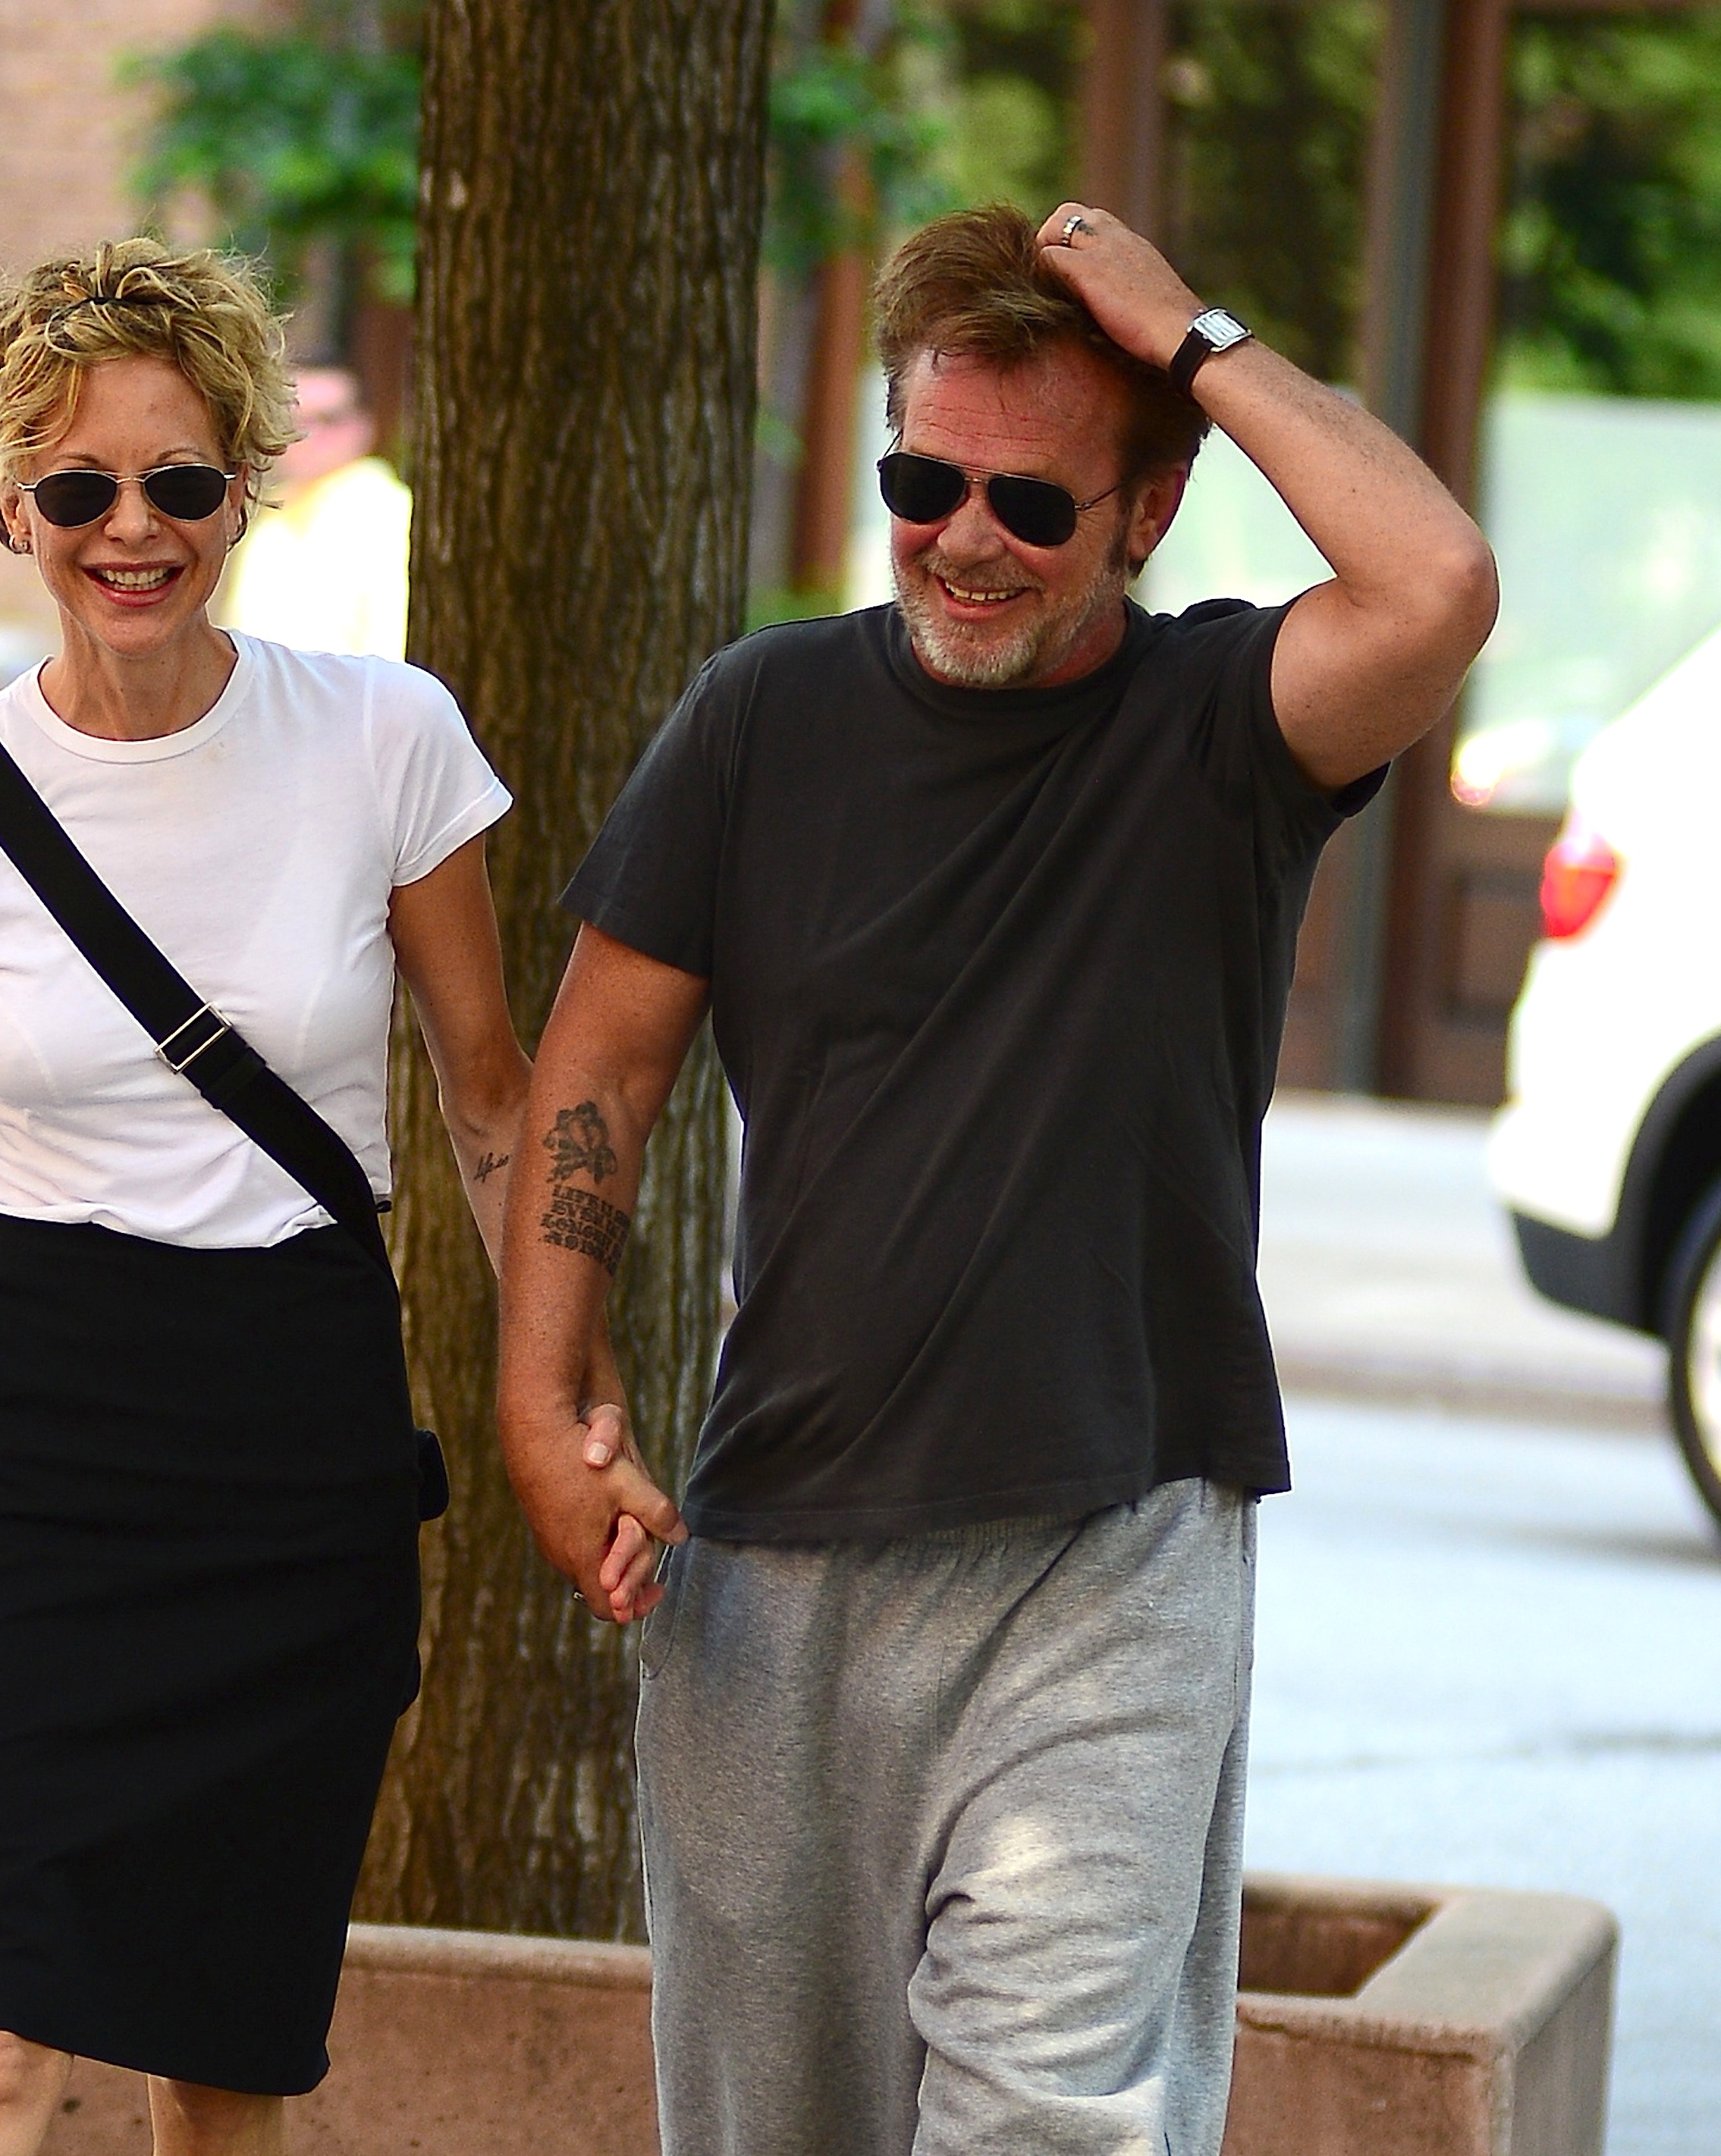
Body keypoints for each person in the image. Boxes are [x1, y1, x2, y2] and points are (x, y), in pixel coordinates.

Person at [495, 201, 1499, 2156]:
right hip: (770, 1561)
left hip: (1105, 1551)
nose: (962, 536)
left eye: (1030, 503)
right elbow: (599, 1064)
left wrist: (1190, 333)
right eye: (917, 478)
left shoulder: (1228, 726)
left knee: (1045, 2123)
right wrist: (545, 1393)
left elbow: (1435, 579)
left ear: (1146, 510)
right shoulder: (758, 718)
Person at [0, 239, 539, 2156]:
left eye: (182, 481)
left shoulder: (383, 740)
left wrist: (561, 1409)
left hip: (297, 1439)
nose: (133, 529)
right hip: (46, 1441)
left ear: (246, 482)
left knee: (224, 2060)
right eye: (80, 488)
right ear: (11, 504)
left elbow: (493, 1112)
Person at [218, 365, 410, 659]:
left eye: (327, 419)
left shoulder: (385, 512)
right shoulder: (273, 514)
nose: (308, 436)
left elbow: (393, 644)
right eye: (294, 421)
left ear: (365, 424)